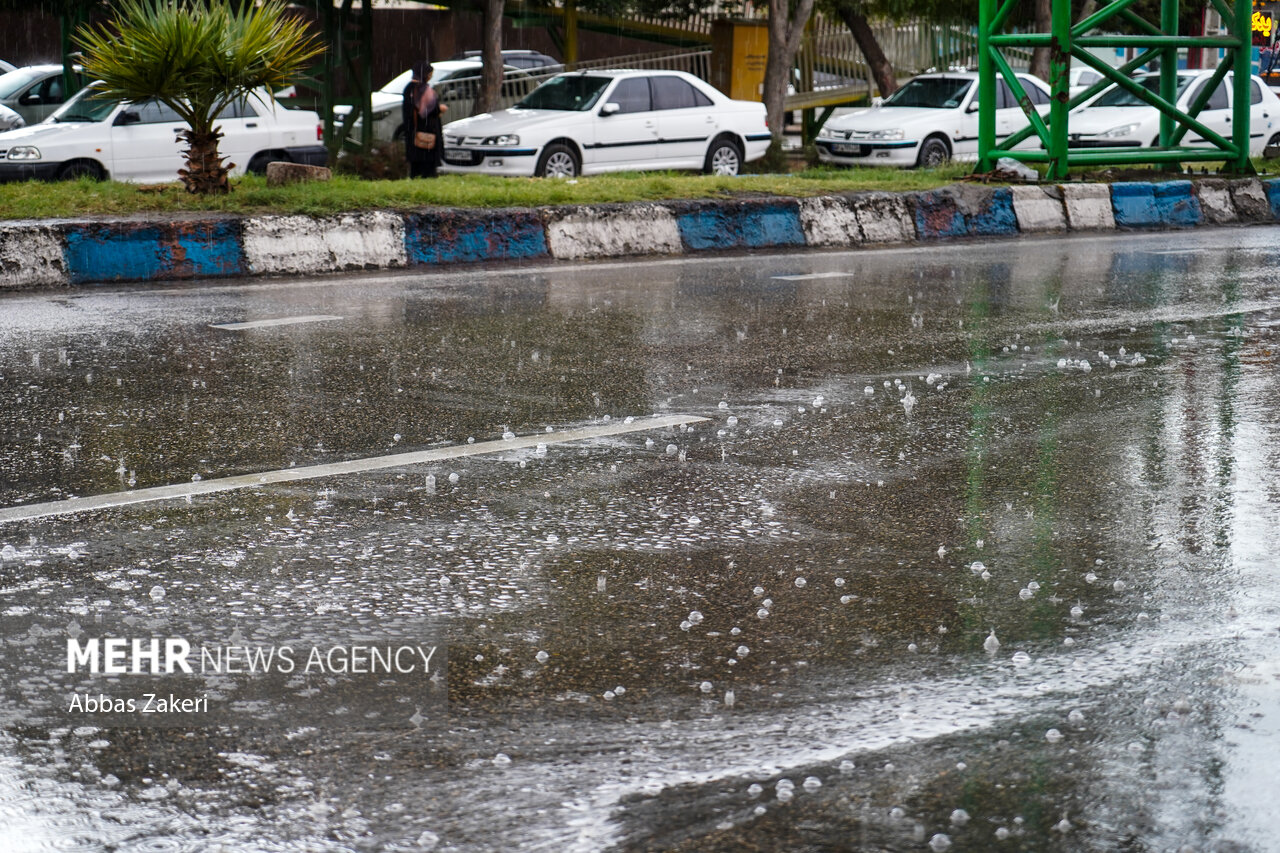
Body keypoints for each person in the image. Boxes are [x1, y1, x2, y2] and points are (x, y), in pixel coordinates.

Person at [403, 60, 446, 178]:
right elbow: (429, 110)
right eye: (430, 73)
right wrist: (440, 109)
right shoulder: (422, 89)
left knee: (415, 166)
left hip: (413, 130)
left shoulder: (408, 89)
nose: (431, 76)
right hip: (426, 130)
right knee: (428, 166)